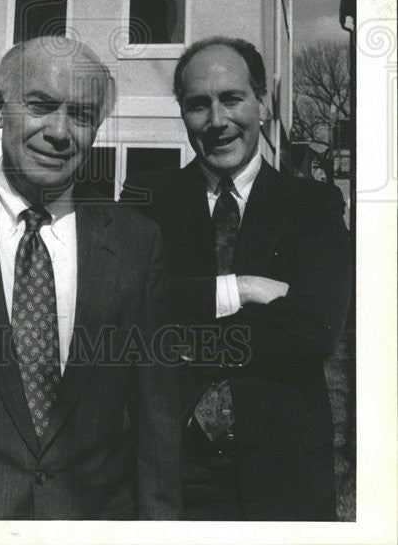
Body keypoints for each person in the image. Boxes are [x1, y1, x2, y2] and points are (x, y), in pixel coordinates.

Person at [0, 36, 181, 520]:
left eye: (83, 115)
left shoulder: (135, 242)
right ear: (0, 108)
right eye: (41, 106)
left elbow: (157, 423)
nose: (60, 132)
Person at [120, 37, 352, 520]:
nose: (218, 121)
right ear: (182, 114)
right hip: (174, 469)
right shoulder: (147, 199)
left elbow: (316, 328)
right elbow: (125, 310)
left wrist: (181, 330)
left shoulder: (312, 204)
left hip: (284, 467)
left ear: (262, 103)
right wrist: (239, 288)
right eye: (198, 105)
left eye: (232, 99)